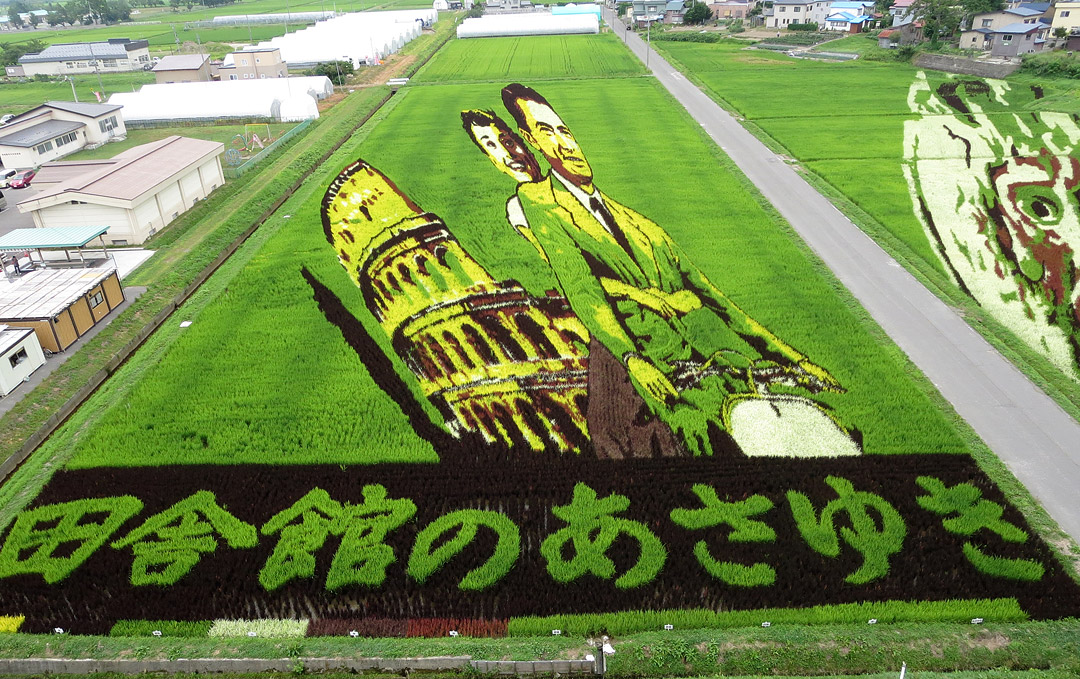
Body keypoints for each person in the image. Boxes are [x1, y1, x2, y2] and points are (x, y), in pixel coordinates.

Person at [496, 83, 861, 458]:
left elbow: (717, 300)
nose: (565, 144)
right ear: (530, 140)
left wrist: (792, 359)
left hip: (692, 367)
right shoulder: (540, 201)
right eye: (545, 132)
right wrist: (633, 360)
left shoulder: (644, 227)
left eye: (564, 131)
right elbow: (583, 288)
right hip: (626, 370)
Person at [462, 108, 688, 458]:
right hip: (606, 316)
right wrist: (638, 294)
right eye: (490, 146)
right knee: (619, 427)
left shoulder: (569, 180)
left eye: (506, 140)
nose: (506, 154)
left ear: (523, 139)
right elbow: (573, 278)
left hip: (644, 311)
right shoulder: (522, 209)